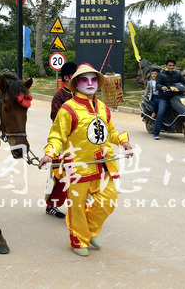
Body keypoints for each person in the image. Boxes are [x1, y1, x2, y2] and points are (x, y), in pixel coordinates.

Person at [38, 63, 134, 257]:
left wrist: (123, 142)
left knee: (109, 201)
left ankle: (88, 232)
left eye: (93, 79)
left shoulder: (103, 107)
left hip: (104, 165)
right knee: (77, 208)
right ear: (76, 83)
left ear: (98, 83)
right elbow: (57, 135)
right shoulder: (68, 109)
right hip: (78, 167)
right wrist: (49, 153)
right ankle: (79, 240)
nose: (90, 83)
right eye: (84, 79)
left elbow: (111, 131)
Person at [45, 60, 77, 219]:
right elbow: (55, 119)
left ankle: (81, 205)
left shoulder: (83, 95)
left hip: (83, 143)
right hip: (64, 142)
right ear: (66, 77)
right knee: (62, 175)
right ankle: (52, 205)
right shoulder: (59, 97)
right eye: (74, 75)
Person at [153, 58, 185, 140]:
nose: (171, 67)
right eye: (169, 65)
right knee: (161, 111)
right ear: (166, 66)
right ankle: (156, 133)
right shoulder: (161, 74)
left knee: (182, 109)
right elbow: (158, 84)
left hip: (175, 97)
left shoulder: (177, 74)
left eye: (173, 65)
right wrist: (162, 87)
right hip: (164, 97)